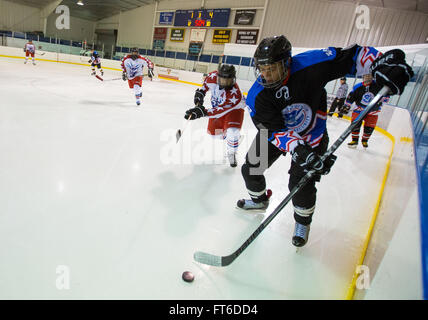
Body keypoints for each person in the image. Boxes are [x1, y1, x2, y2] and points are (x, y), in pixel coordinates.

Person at [238, 35, 413, 248]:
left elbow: (354, 56)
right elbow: (273, 130)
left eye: (272, 68)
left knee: (300, 184)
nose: (266, 75)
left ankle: (302, 223)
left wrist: (383, 62)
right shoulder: (257, 94)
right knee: (251, 168)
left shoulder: (311, 64)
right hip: (279, 133)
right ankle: (258, 201)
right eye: (261, 69)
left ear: (287, 63)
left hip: (313, 134)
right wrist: (297, 150)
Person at [183, 64, 245, 167]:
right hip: (218, 107)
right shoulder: (212, 77)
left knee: (232, 132)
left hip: (235, 109)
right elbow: (204, 87)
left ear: (233, 79)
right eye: (222, 80)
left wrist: (201, 112)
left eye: (228, 81)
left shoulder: (235, 94)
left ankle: (232, 151)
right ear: (218, 76)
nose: (225, 83)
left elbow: (219, 111)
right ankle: (233, 139)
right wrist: (201, 94)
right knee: (215, 135)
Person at [346, 73, 390, 149]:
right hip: (359, 109)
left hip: (373, 110)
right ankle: (354, 141)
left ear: (372, 77)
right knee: (355, 125)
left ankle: (365, 140)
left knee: (369, 127)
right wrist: (347, 106)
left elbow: (386, 95)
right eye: (366, 76)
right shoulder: (357, 86)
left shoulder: (378, 86)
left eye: (369, 76)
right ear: (363, 77)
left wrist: (383, 100)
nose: (367, 77)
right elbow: (351, 96)